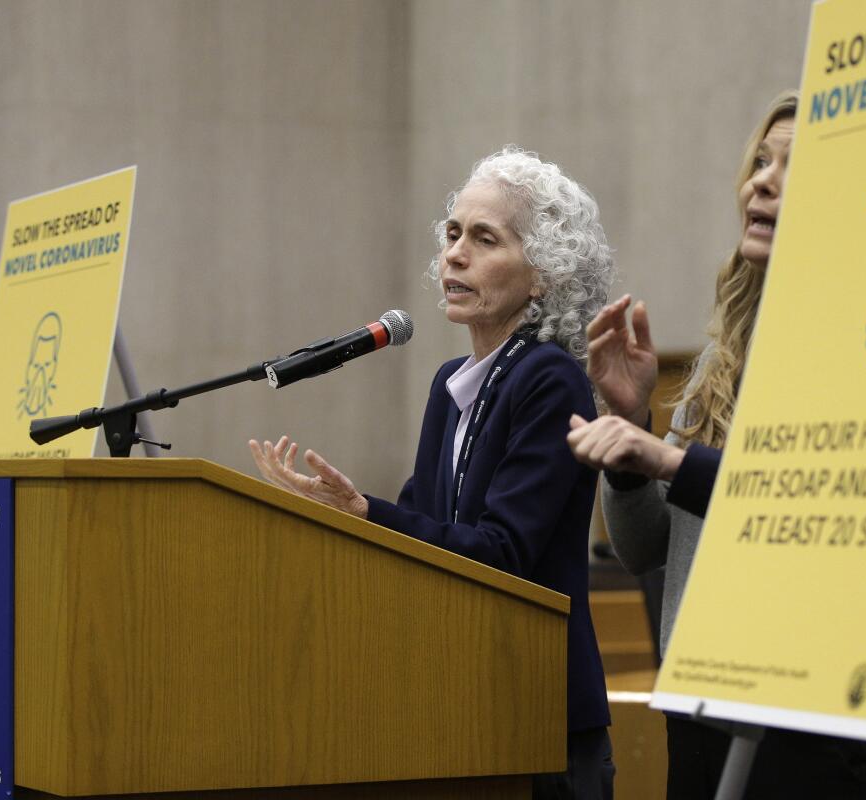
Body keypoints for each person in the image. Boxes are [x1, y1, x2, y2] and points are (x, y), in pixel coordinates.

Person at [566, 92, 866, 798]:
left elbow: (816, 501)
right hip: (704, 706)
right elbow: (645, 549)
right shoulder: (720, 368)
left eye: (791, 166)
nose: (761, 179)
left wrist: (669, 460)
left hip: (816, 719)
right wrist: (634, 430)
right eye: (759, 160)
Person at [250, 146, 616, 799]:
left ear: (543, 274)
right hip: (458, 706)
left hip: (539, 718)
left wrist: (367, 512)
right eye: (452, 234)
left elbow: (503, 554)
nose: (454, 254)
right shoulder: (452, 382)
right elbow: (421, 525)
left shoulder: (550, 380)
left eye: (484, 238)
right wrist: (332, 519)